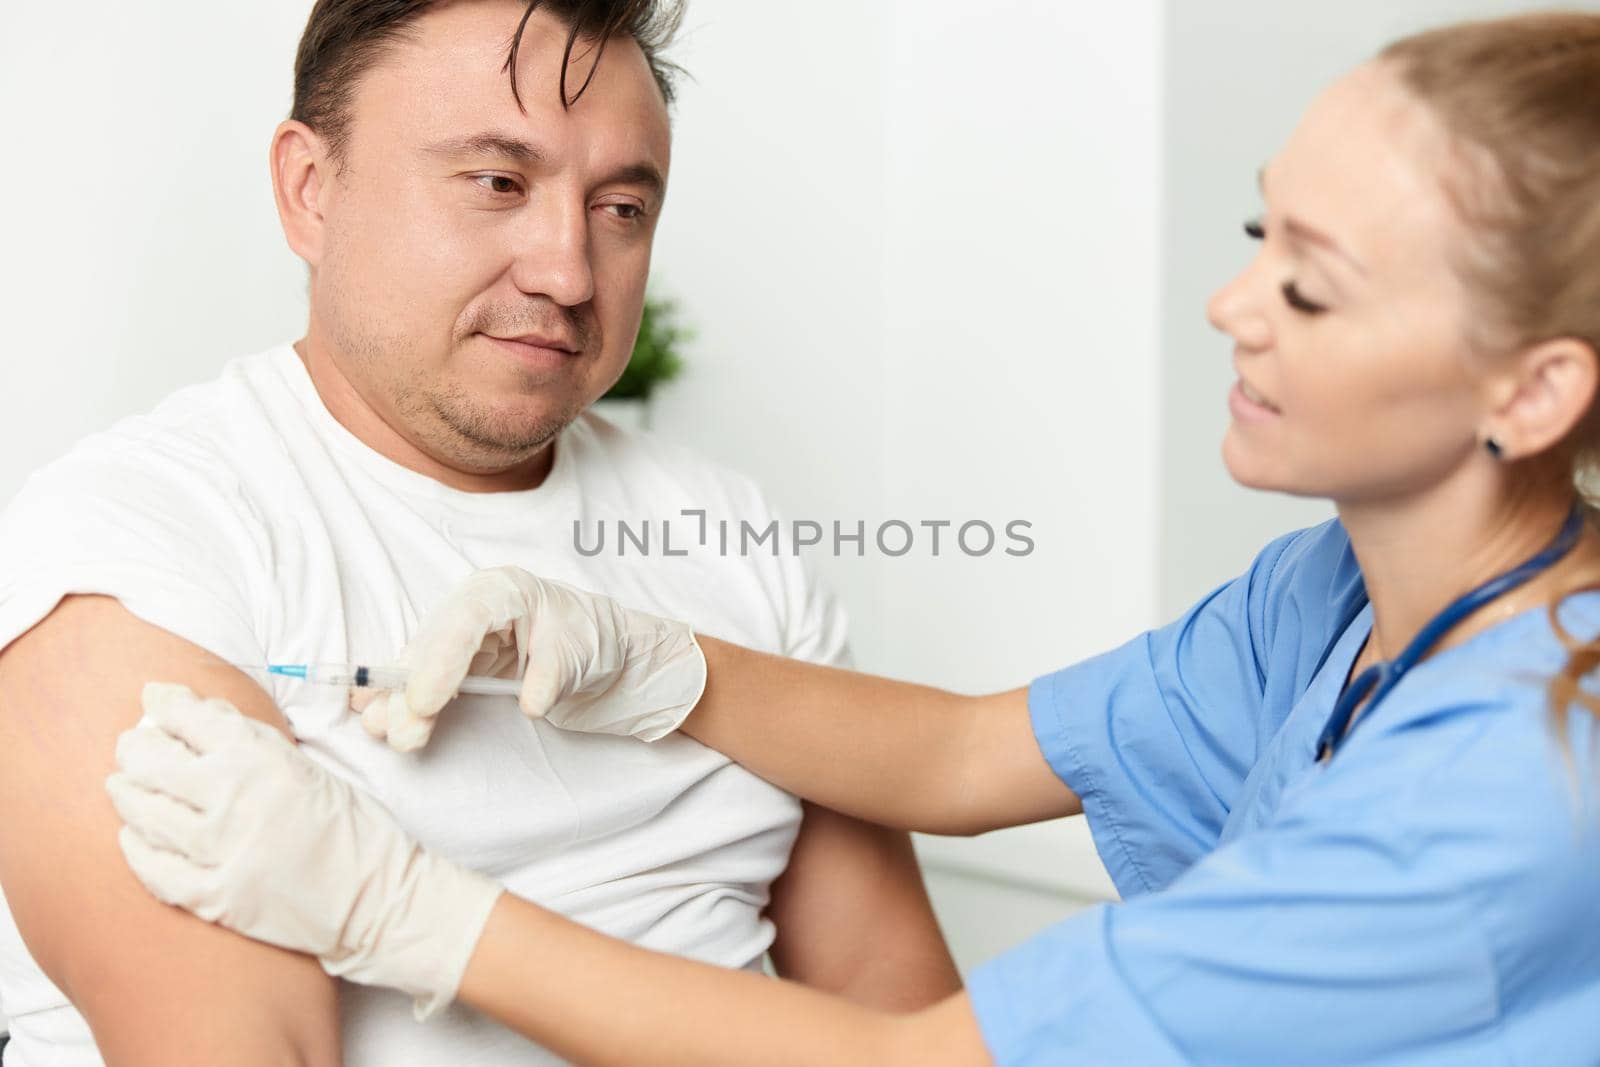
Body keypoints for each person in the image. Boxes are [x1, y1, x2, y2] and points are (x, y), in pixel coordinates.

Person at [105, 10, 1600, 1065]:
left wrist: (402, 907)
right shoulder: (1338, 593)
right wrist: (667, 667)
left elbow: (925, 1055)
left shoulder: (1518, 785)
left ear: (1535, 390)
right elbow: (963, 756)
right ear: (309, 188)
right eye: (1255, 239)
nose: (1232, 306)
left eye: (1315, 287)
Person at [0, 2, 962, 1065]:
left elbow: (907, 1026)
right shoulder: (140, 540)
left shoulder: (726, 529)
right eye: (497, 183)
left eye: (622, 206)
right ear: (309, 191)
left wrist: (419, 911)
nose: (568, 271)